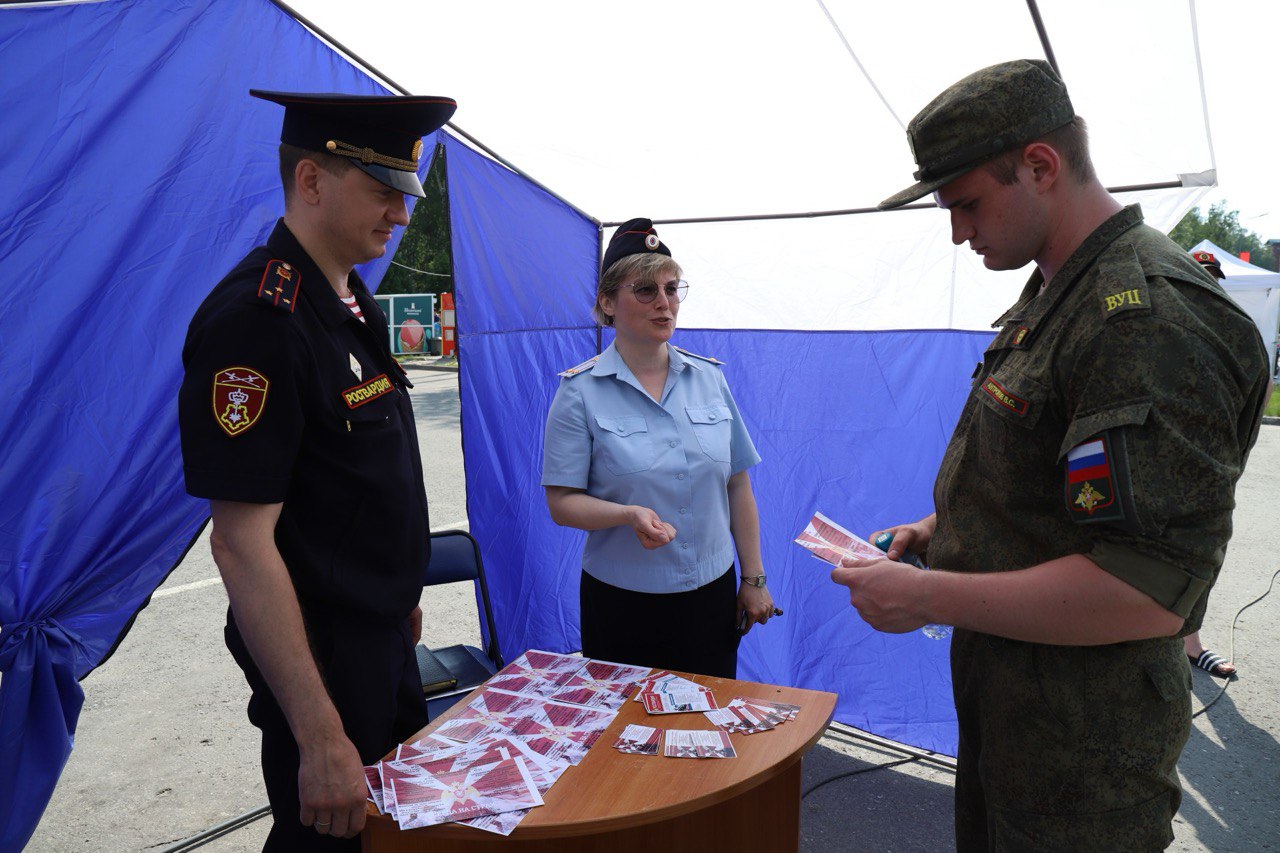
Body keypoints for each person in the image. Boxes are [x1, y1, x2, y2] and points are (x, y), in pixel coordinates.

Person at [831, 60, 1270, 850]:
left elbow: (1146, 591)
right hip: (1018, 724)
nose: (959, 231)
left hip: (1083, 767)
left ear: (1040, 165)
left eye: (965, 203)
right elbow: (1056, 481)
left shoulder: (1143, 319)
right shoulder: (1056, 291)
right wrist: (945, 529)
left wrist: (927, 597)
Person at [178, 89, 456, 850]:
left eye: (405, 195)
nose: (401, 216)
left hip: (379, 641)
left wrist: (395, 599)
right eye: (384, 192)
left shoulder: (347, 300)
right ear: (311, 181)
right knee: (329, 840)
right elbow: (240, 543)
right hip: (324, 664)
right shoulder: (257, 321)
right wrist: (319, 732)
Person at [541, 219, 776, 678]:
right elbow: (562, 503)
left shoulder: (709, 379)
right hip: (623, 603)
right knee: (626, 741)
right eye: (645, 290)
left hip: (710, 595)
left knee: (704, 732)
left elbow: (737, 485)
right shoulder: (580, 392)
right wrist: (626, 514)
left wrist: (754, 579)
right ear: (607, 302)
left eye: (671, 288)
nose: (664, 303)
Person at [1184, 249, 1240, 678]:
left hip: (1211, 470)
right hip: (1157, 471)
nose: (1207, 284)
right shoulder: (1159, 326)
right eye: (1199, 275)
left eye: (1212, 277)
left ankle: (1191, 643)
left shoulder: (1230, 335)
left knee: (1204, 556)